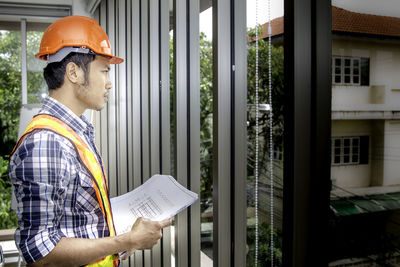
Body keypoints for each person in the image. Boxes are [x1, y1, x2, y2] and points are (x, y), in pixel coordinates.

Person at [9, 16, 171, 267]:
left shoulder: (76, 132)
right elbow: (41, 253)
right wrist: (128, 240)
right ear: (74, 72)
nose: (109, 83)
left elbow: (79, 220)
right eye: (104, 70)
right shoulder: (47, 142)